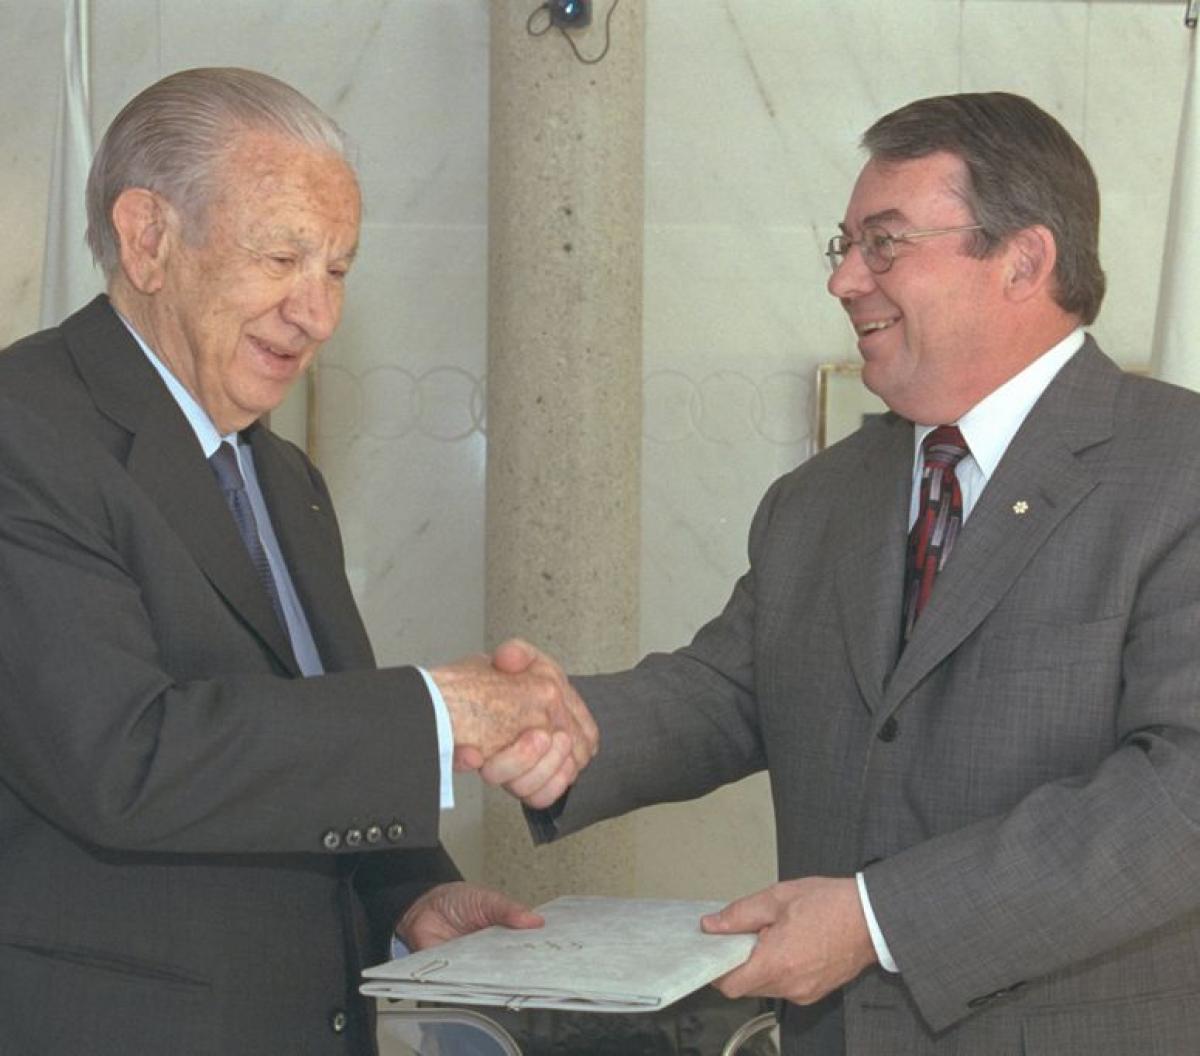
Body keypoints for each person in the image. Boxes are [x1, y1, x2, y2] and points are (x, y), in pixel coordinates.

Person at [486, 91, 1200, 1054]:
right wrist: (557, 728)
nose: (844, 280)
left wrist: (876, 921)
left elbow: (1180, 799)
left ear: (1023, 260)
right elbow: (728, 692)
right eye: (844, 244)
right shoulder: (817, 500)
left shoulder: (1177, 468)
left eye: (885, 243)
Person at [0, 67, 594, 1055]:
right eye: (282, 257)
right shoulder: (28, 434)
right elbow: (121, 756)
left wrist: (412, 894)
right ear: (149, 239)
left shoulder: (283, 476)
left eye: (339, 270)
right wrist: (442, 710)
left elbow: (304, 724)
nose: (315, 313)